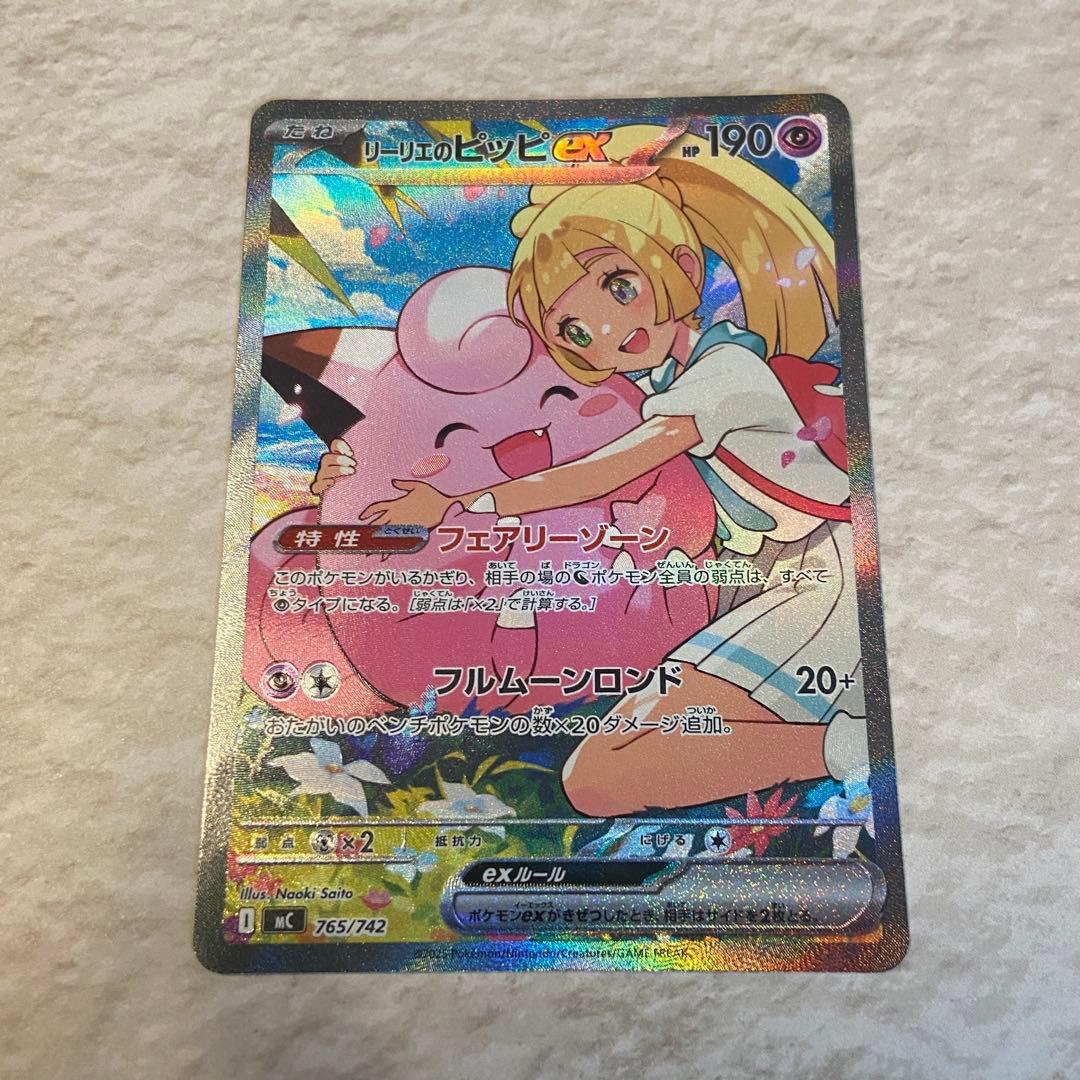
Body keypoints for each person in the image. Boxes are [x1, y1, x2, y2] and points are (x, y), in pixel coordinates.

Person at [318, 125, 869, 815]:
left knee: (601, 776)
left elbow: (604, 470)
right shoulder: (659, 382)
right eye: (576, 331)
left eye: (619, 285)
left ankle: (854, 747)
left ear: (682, 269)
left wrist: (468, 505)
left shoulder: (725, 373)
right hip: (752, 583)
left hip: (823, 580)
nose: (608, 332)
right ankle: (845, 738)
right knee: (602, 772)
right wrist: (347, 468)